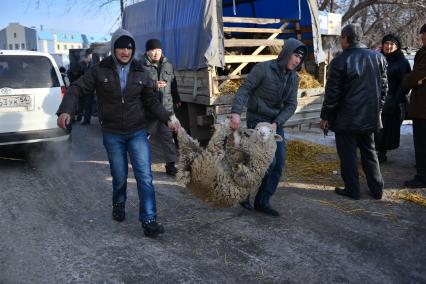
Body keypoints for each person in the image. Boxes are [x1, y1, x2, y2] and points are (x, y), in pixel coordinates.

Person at [56, 28, 180, 238]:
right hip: (113, 133)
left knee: (144, 176)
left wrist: (167, 118)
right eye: (121, 47)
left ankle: (149, 219)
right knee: (120, 175)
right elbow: (76, 88)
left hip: (137, 131)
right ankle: (119, 203)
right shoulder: (99, 70)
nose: (125, 52)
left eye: (129, 48)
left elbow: (151, 101)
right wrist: (66, 110)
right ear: (114, 48)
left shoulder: (141, 71)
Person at [230, 38, 307, 217]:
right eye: (295, 55)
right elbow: (244, 90)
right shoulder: (263, 69)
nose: (297, 61)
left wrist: (277, 122)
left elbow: (291, 105)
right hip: (257, 119)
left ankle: (263, 200)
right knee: (265, 161)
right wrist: (235, 112)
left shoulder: (294, 78)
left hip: (274, 123)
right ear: (287, 53)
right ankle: (244, 192)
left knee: (279, 163)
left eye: (300, 58)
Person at [320, 24, 388, 200]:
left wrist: (326, 116)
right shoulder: (378, 57)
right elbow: (384, 88)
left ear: (345, 38)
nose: (340, 41)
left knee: (348, 155)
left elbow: (332, 94)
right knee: (369, 152)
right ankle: (377, 189)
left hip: (346, 118)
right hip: (368, 116)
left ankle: (353, 189)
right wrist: (377, 109)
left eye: (341, 38)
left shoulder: (340, 61)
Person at [141, 39, 181, 176]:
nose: (156, 53)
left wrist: (176, 99)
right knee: (143, 138)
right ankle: (140, 163)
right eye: (153, 50)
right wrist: (153, 84)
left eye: (158, 50)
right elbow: (138, 86)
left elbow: (173, 83)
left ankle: (170, 165)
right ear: (147, 51)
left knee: (168, 137)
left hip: (166, 109)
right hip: (150, 110)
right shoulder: (141, 67)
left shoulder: (168, 65)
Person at [374, 34, 411, 163]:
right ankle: (374, 151)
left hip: (392, 101)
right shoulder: (378, 57)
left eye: (392, 44)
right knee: (375, 128)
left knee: (385, 129)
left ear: (397, 46)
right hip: (376, 99)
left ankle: (381, 153)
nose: (388, 46)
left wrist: (395, 100)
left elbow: (405, 84)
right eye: (386, 43)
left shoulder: (402, 62)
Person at [403, 24, 426, 188]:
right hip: (421, 106)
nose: (422, 38)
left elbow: (414, 78)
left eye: (424, 35)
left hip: (423, 108)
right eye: (422, 35)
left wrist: (406, 80)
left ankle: (422, 177)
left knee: (422, 144)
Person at [68, 49, 94, 124]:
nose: (90, 58)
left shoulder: (92, 64)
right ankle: (78, 117)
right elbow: (72, 74)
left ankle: (86, 120)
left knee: (88, 105)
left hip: (89, 89)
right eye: (90, 56)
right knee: (80, 103)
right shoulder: (79, 65)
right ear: (86, 56)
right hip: (81, 88)